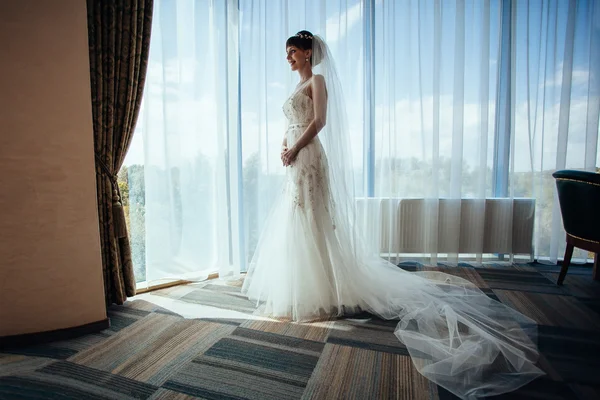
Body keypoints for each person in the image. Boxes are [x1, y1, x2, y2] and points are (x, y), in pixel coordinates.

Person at [241, 30, 544, 399]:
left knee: (312, 219)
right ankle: (303, 286)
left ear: (308, 53)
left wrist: (296, 147)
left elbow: (319, 122)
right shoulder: (295, 87)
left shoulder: (317, 80)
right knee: (297, 219)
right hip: (294, 158)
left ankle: (320, 290)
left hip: (308, 157)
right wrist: (283, 146)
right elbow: (292, 122)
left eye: (292, 52)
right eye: (287, 53)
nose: (288, 58)